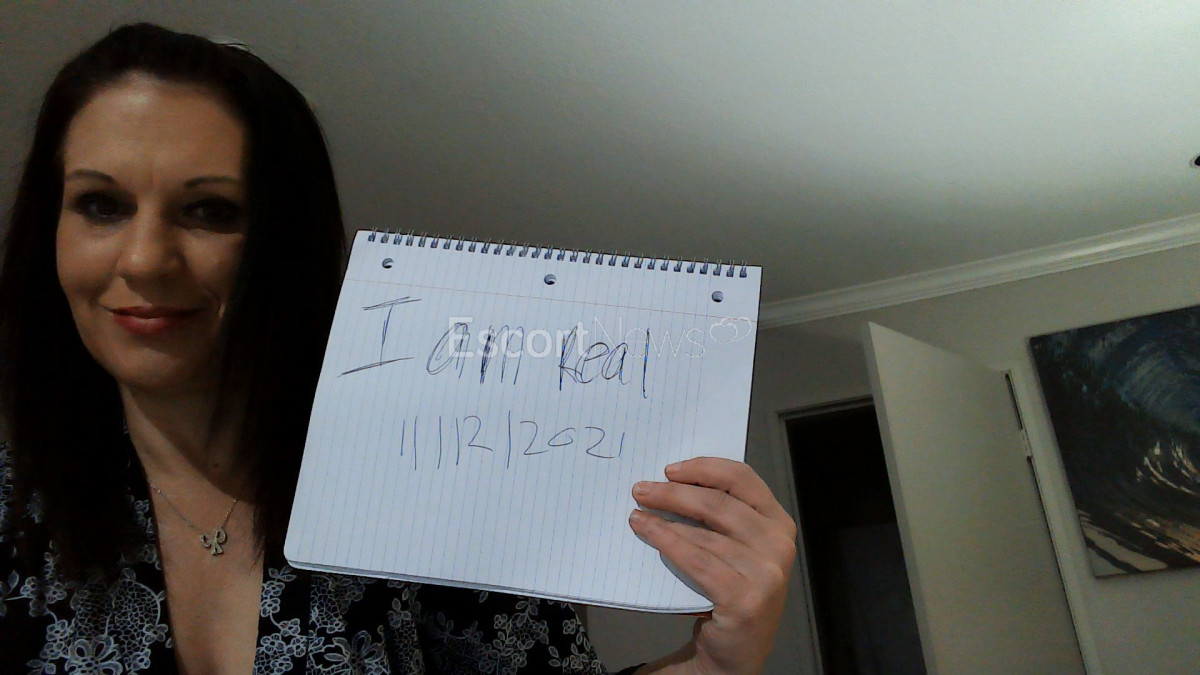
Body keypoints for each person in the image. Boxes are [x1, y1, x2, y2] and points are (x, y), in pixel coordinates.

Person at [0, 23, 796, 674]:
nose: (144, 259)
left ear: (283, 241)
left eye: (209, 211)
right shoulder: (12, 508)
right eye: (100, 204)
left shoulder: (432, 480)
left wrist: (713, 668)